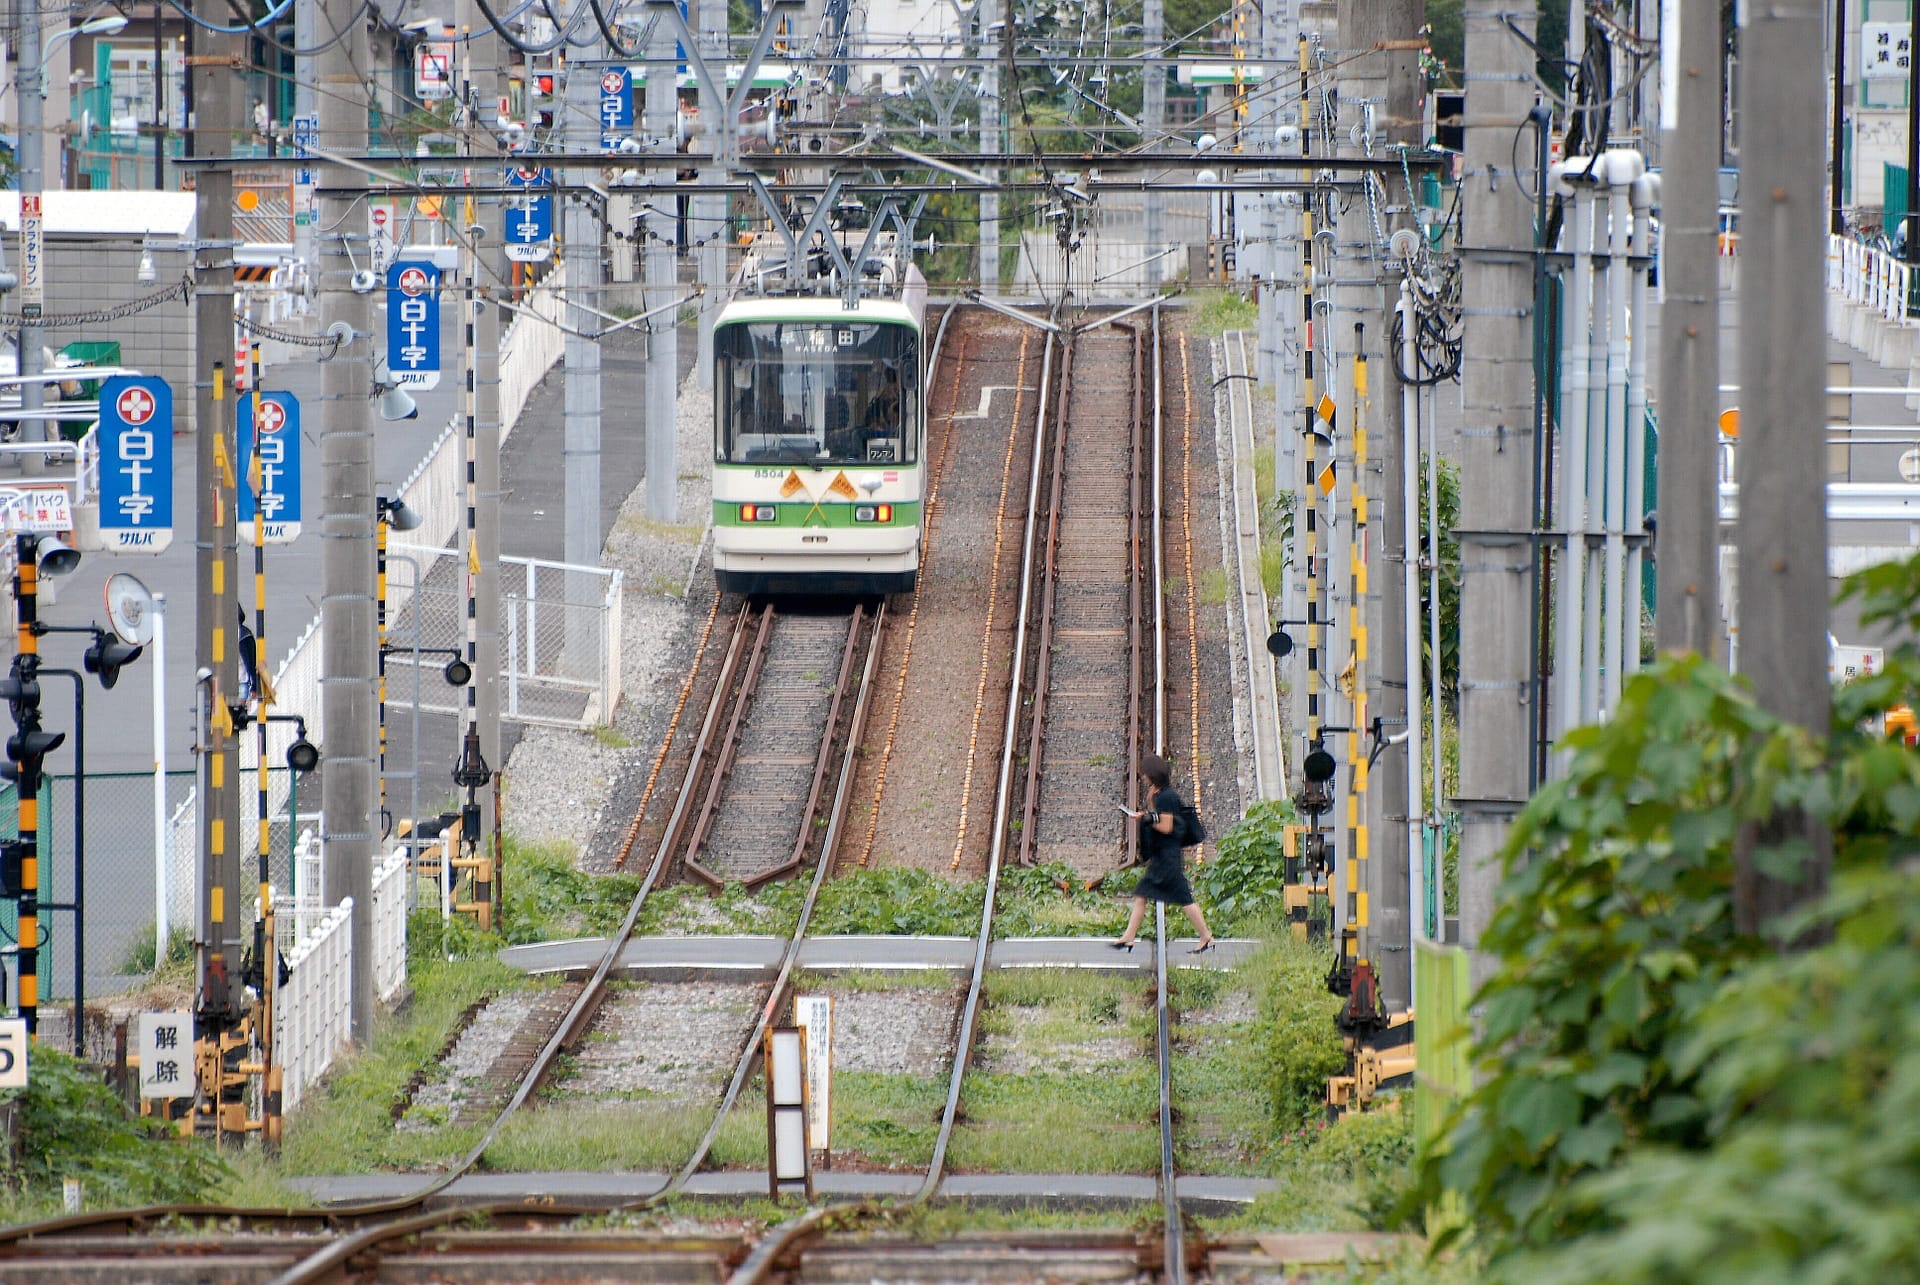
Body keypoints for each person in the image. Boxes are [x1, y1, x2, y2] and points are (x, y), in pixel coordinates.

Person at [1112, 753, 1215, 953]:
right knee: (1150, 894)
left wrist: (1146, 818)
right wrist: (1150, 806)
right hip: (1165, 856)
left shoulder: (1167, 797)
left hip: (1167, 858)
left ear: (1152, 775)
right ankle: (1129, 936)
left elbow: (1166, 826)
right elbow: (1161, 818)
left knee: (1181, 898)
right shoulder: (1163, 795)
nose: (1144, 778)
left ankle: (1206, 936)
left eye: (1145, 775)